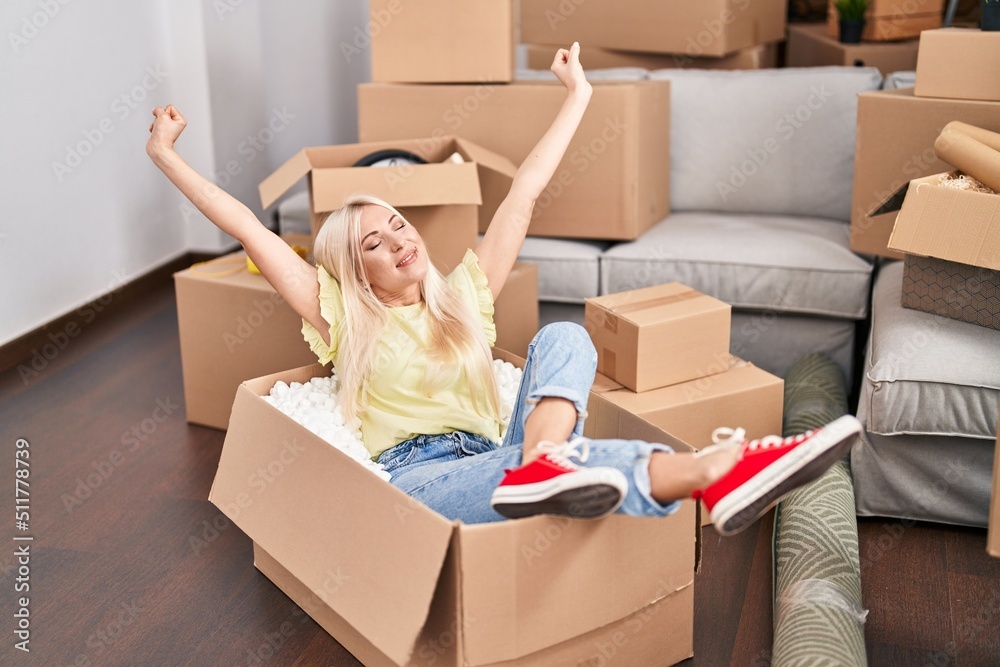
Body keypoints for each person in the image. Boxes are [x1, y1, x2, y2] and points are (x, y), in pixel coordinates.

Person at [147, 43, 862, 535]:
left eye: (398, 225)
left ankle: (547, 462)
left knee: (563, 333)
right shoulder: (341, 316)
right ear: (352, 272)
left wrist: (580, 93)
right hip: (422, 476)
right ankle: (719, 468)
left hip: (509, 448)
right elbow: (246, 224)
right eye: (373, 243)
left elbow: (523, 193)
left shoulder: (462, 295)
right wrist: (164, 155)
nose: (399, 241)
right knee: (564, 462)